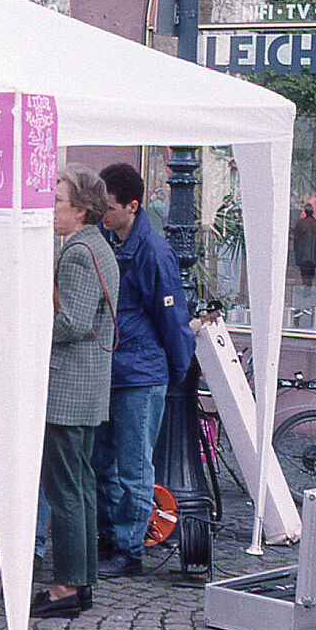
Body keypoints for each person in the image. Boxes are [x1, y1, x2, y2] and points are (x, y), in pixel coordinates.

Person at [94, 162, 195, 578]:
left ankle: (130, 548)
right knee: (104, 460)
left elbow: (173, 318)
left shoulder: (153, 252)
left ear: (132, 207)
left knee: (134, 465)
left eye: (110, 206)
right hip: (119, 367)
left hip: (139, 371)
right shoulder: (112, 242)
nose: (103, 212)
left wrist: (176, 369)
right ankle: (112, 537)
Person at [32, 165, 119, 618]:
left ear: (81, 210)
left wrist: (36, 315)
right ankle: (80, 581)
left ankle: (67, 587)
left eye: (57, 199)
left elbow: (71, 323)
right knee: (80, 485)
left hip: (68, 386)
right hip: (85, 385)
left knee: (67, 488)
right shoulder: (96, 246)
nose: (51, 206)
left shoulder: (79, 252)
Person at [291, 205, 316, 289]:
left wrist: (296, 249)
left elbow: (296, 238)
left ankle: (306, 283)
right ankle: (308, 284)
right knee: (311, 270)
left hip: (302, 253)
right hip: (314, 253)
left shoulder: (300, 224)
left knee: (304, 270)